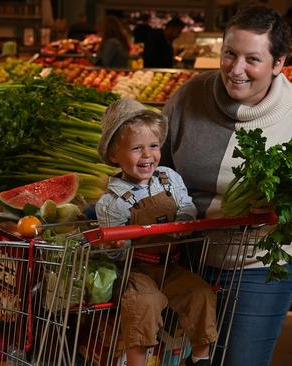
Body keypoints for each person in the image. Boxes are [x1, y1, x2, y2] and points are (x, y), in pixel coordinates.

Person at [161, 5, 292, 366]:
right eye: (229, 54)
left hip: (257, 265)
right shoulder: (189, 97)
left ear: (278, 63)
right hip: (187, 257)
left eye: (252, 59)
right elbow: (158, 164)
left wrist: (281, 212)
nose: (236, 70)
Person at [95, 98, 216, 366]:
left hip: (171, 266)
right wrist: (118, 245)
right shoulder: (113, 202)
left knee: (200, 293)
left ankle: (200, 358)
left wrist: (184, 221)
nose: (148, 155)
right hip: (135, 271)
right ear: (115, 156)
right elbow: (112, 253)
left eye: (153, 146)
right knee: (144, 304)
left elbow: (186, 205)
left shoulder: (169, 179)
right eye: (137, 149)